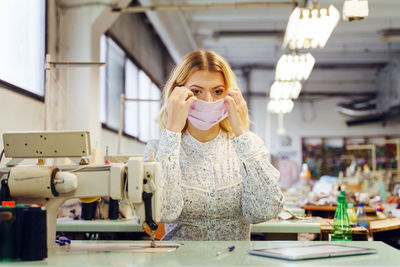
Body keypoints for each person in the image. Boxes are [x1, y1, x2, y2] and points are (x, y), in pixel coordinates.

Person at [145, 49, 284, 241]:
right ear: (178, 94)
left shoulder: (248, 147)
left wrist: (242, 133)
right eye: (196, 91)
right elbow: (164, 212)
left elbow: (264, 211)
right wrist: (172, 132)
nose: (208, 101)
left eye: (217, 91)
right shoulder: (158, 150)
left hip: (235, 261)